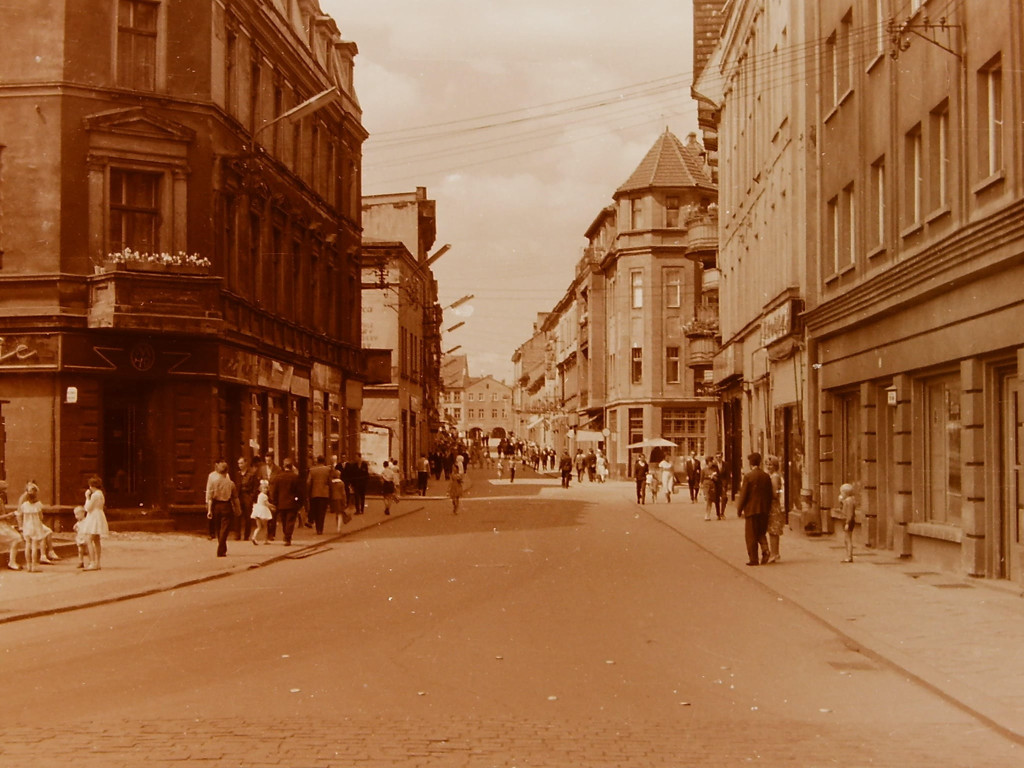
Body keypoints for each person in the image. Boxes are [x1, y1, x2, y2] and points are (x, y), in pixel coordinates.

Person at [736, 452, 773, 566]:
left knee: (751, 535)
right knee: (761, 532)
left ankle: (754, 559)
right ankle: (765, 550)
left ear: (751, 463)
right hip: (764, 510)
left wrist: (739, 509)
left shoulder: (748, 476)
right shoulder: (766, 476)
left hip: (751, 510)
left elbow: (743, 495)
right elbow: (770, 494)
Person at [205, 458, 238, 557]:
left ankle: (222, 548)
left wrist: (209, 509)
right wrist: (237, 509)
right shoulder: (230, 482)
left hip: (216, 505)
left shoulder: (214, 481)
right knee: (224, 528)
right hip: (226, 505)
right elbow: (235, 497)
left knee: (219, 528)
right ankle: (221, 548)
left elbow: (209, 494)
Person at [268, 458, 303, 545]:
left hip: (281, 503)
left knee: (284, 520)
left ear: (284, 466)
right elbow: (299, 491)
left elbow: (275, 491)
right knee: (290, 520)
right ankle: (288, 537)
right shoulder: (295, 477)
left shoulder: (278, 477)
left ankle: (286, 534)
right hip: (292, 503)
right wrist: (299, 502)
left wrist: (275, 502)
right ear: (291, 467)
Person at [80, 475, 110, 570]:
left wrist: (87, 497)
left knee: (89, 539)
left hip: (93, 516)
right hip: (99, 515)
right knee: (96, 540)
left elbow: (87, 507)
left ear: (92, 486)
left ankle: (92, 562)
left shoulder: (94, 495)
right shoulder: (100, 494)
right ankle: (98, 562)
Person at [16, 482, 47, 572]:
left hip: (27, 526)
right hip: (36, 527)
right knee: (34, 546)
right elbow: (41, 517)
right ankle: (34, 566)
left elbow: (20, 515)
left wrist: (21, 525)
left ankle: (28, 565)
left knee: (27, 545)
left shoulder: (24, 506)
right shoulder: (38, 505)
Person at [766, 456, 785, 563]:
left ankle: (774, 553)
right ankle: (775, 552)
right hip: (775, 504)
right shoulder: (775, 476)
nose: (769, 467)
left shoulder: (774, 477)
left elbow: (774, 493)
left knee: (773, 530)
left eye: (771, 465)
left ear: (775, 466)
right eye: (767, 464)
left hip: (773, 505)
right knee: (774, 530)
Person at [235, 456, 259, 542]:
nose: (240, 465)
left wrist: (251, 497)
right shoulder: (238, 474)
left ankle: (246, 535)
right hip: (238, 496)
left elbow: (255, 487)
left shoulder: (251, 474)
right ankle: (237, 535)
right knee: (238, 515)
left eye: (241, 463)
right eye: (239, 463)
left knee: (247, 517)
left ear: (245, 463)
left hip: (247, 496)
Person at [306, 455, 332, 534]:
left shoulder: (312, 469)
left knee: (316, 511)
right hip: (324, 494)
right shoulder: (328, 469)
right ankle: (320, 529)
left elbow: (308, 482)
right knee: (322, 512)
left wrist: (308, 492)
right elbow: (330, 481)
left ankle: (317, 528)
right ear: (324, 461)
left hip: (314, 493)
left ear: (317, 461)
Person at [250, 479, 273, 545]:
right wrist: (272, 507)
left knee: (259, 527)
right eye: (264, 488)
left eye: (266, 488)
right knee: (265, 527)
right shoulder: (265, 496)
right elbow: (267, 504)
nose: (265, 489)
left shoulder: (259, 495)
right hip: (263, 511)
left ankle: (254, 537)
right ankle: (265, 540)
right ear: (260, 489)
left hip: (257, 511)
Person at [839, 483, 857, 563]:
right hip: (847, 520)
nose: (841, 494)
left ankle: (849, 556)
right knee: (846, 539)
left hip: (847, 521)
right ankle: (848, 556)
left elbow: (850, 513)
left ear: (845, 493)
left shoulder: (848, 501)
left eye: (842, 492)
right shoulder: (850, 500)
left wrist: (847, 523)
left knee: (848, 539)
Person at [329, 464, 350, 531]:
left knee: (337, 513)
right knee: (340, 514)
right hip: (340, 499)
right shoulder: (341, 483)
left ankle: (337, 525)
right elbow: (343, 493)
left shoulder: (332, 483)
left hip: (333, 499)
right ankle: (338, 527)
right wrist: (345, 501)